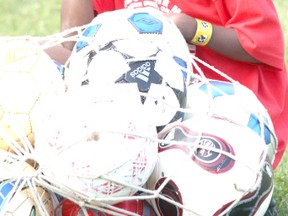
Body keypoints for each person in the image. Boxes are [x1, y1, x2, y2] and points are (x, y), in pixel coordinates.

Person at [59, 0, 288, 215]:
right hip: (145, 113)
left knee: (197, 182)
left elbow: (262, 44)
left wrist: (195, 29)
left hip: (215, 116)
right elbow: (72, 44)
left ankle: (246, 194)